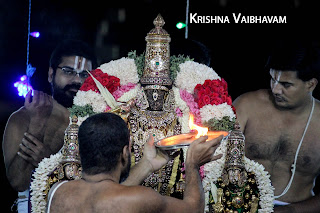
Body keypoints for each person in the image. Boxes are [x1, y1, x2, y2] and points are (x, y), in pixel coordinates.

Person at [47, 112, 223, 213]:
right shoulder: (140, 198)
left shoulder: (57, 192)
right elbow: (193, 210)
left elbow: (105, 192)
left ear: (79, 152)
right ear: (125, 152)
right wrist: (192, 164)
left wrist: (147, 164)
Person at [2, 39, 96, 212]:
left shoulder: (97, 123)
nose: (76, 80)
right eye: (68, 71)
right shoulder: (23, 118)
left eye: (84, 74)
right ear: (51, 74)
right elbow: (18, 182)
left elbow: (102, 182)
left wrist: (49, 164)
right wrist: (37, 125)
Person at [233, 40, 320, 212]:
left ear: (311, 84)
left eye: (286, 85)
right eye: (273, 79)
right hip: (237, 205)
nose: (275, 90)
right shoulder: (247, 105)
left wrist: (290, 211)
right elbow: (215, 158)